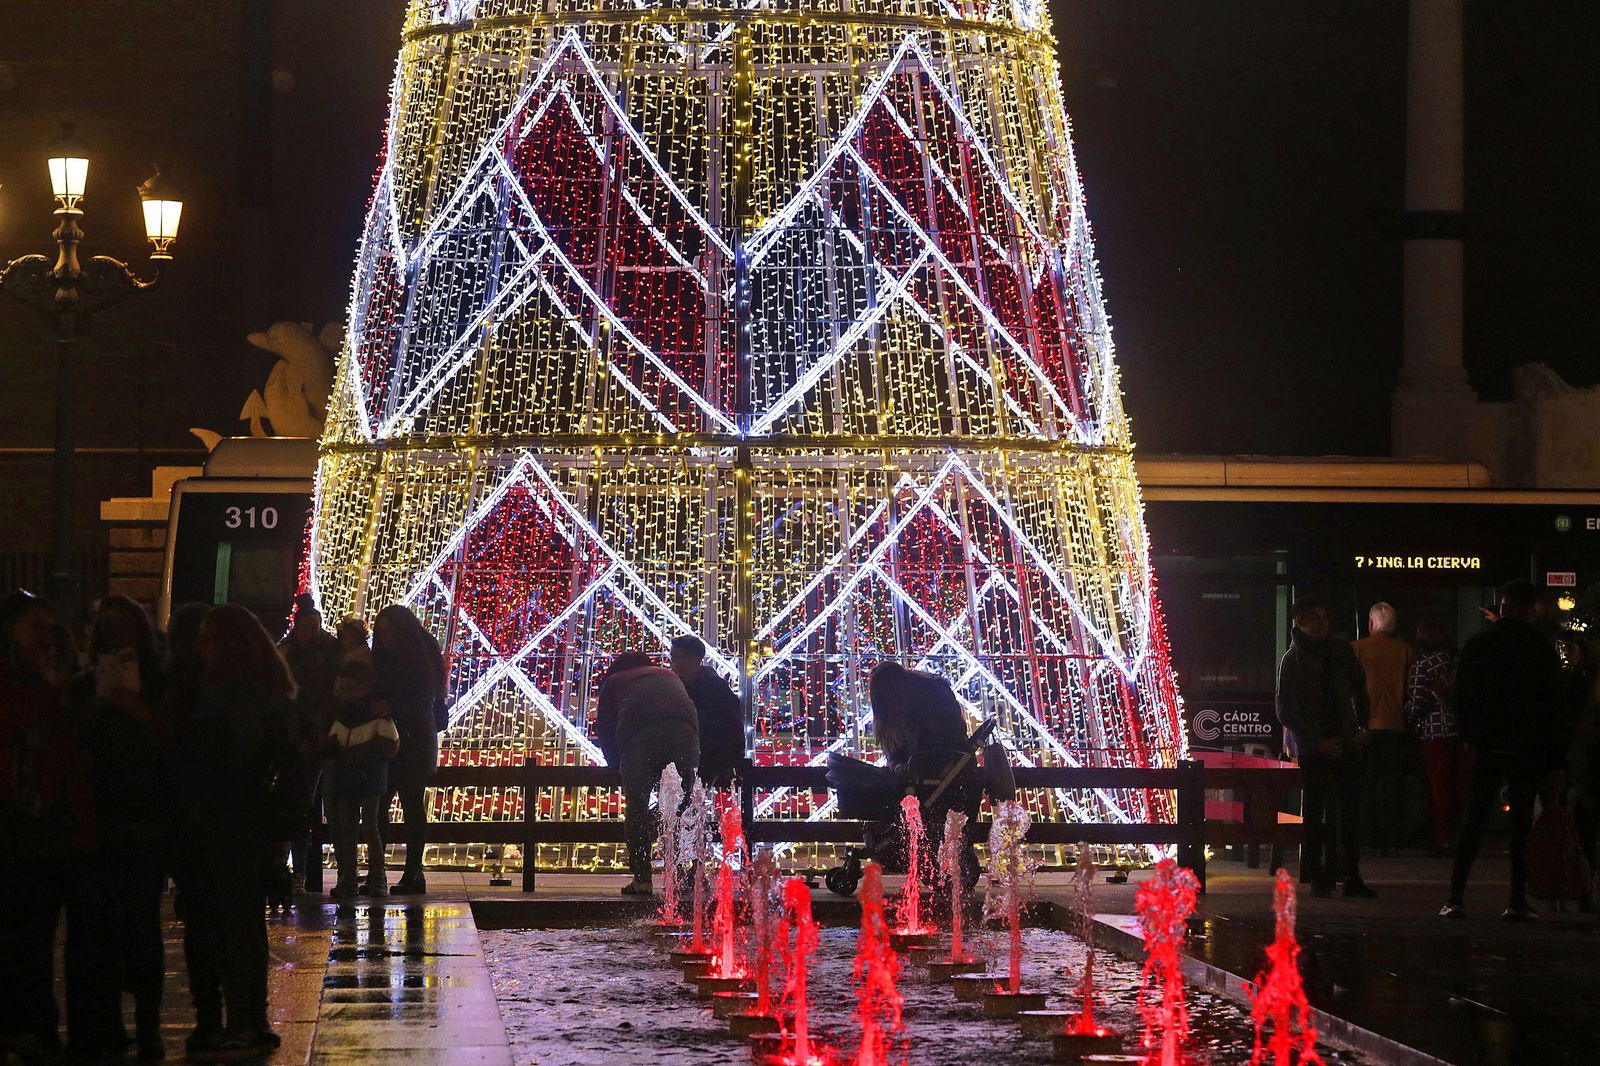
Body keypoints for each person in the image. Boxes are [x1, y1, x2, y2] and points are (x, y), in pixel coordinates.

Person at [178, 605, 296, 1057]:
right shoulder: (258, 696)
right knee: (240, 924)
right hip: (239, 825)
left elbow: (227, 766)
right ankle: (247, 1019)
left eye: (208, 639)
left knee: (230, 925)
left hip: (227, 824)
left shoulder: (232, 700)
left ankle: (242, 1022)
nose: (199, 648)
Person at [0, 590, 99, 1064]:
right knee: (21, 933)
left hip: (45, 823)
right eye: (35, 626)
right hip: (14, 819)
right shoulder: (22, 682)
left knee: (34, 934)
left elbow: (62, 754)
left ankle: (35, 1025)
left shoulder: (47, 682)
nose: (44, 636)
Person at [75, 596, 172, 1060]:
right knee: (102, 934)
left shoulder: (158, 684)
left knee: (141, 929)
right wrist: (98, 704)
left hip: (144, 822)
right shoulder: (85, 686)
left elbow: (170, 746)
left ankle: (149, 1023)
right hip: (99, 823)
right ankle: (107, 1026)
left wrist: (133, 706)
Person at [1441, 579, 1565, 921]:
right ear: (1531, 609)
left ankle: (1455, 897)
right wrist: (1555, 760)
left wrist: (1469, 734)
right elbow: (1551, 706)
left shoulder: (1481, 644)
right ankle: (1516, 900)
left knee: (1473, 821)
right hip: (1527, 747)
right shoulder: (1540, 648)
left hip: (1488, 743)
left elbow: (1463, 693)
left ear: (1503, 605)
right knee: (1521, 825)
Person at [1275, 598, 1377, 899]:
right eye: (1314, 617)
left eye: (1324, 616)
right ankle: (1321, 874)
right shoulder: (1293, 660)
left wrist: (1361, 726)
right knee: (1319, 813)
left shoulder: (1340, 651)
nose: (1322, 622)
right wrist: (1316, 741)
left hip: (1344, 741)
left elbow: (1360, 686)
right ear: (1299, 622)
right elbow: (1286, 710)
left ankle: (1348, 874)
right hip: (1316, 747)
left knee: (1348, 812)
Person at [595, 651, 699, 896]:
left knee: (637, 803)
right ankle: (681, 873)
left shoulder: (615, 681)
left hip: (639, 733)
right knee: (683, 804)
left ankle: (642, 878)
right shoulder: (669, 675)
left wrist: (616, 766)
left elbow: (605, 729)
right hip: (685, 732)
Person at [372, 604, 446, 895]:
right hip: (392, 737)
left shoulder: (418, 653)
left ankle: (412, 872)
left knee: (411, 804)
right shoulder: (404, 652)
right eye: (381, 632)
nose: (384, 636)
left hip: (412, 738)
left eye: (389, 631)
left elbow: (424, 696)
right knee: (382, 804)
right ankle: (381, 871)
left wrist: (391, 705)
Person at [323, 652, 399, 899]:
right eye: (343, 689)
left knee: (366, 826)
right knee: (354, 827)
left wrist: (354, 753)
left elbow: (389, 746)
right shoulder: (348, 715)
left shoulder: (366, 716)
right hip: (358, 776)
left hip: (366, 776)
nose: (346, 693)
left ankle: (373, 877)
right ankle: (355, 876)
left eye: (350, 688)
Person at [279, 593, 342, 894]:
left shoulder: (315, 652)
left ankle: (300, 872)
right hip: (306, 736)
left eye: (313, 625)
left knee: (307, 802)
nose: (310, 630)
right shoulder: (296, 652)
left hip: (316, 736)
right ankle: (301, 872)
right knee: (304, 802)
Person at [1351, 602, 1414, 856]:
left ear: (1370, 623)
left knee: (1366, 784)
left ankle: (1368, 837)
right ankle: (1393, 839)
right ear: (1395, 625)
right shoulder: (1406, 651)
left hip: (1365, 728)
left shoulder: (1356, 649)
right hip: (1396, 726)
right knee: (1393, 786)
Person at [1406, 617, 1464, 854]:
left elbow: (1418, 701)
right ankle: (1460, 834)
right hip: (1460, 730)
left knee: (1439, 787)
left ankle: (1442, 838)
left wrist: (1407, 717)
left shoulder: (1422, 664)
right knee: (1458, 785)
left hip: (1433, 731)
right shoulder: (1456, 661)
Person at [866, 662, 969, 777]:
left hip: (938, 763)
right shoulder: (930, 689)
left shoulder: (925, 699)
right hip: (949, 761)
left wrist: (899, 765)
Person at [669, 635, 744, 787]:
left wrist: (731, 761)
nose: (672, 663)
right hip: (690, 757)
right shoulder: (677, 686)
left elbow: (732, 727)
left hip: (708, 757)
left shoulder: (715, 688)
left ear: (693, 659)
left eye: (676, 657)